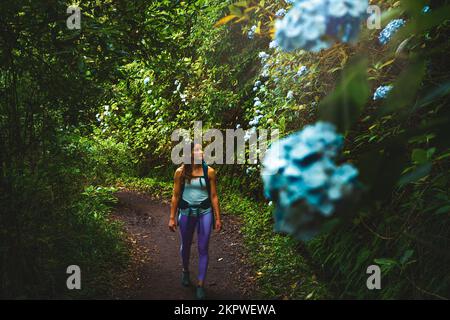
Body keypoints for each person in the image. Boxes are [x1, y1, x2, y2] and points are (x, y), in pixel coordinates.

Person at [168, 142, 222, 300]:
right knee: (185, 245)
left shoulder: (209, 172)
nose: (202, 152)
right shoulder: (180, 172)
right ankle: (185, 271)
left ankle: (200, 284)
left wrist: (218, 218)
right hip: (185, 213)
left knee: (203, 248)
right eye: (198, 150)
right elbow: (176, 196)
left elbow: (214, 196)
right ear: (190, 154)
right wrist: (172, 217)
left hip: (204, 213)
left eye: (201, 149)